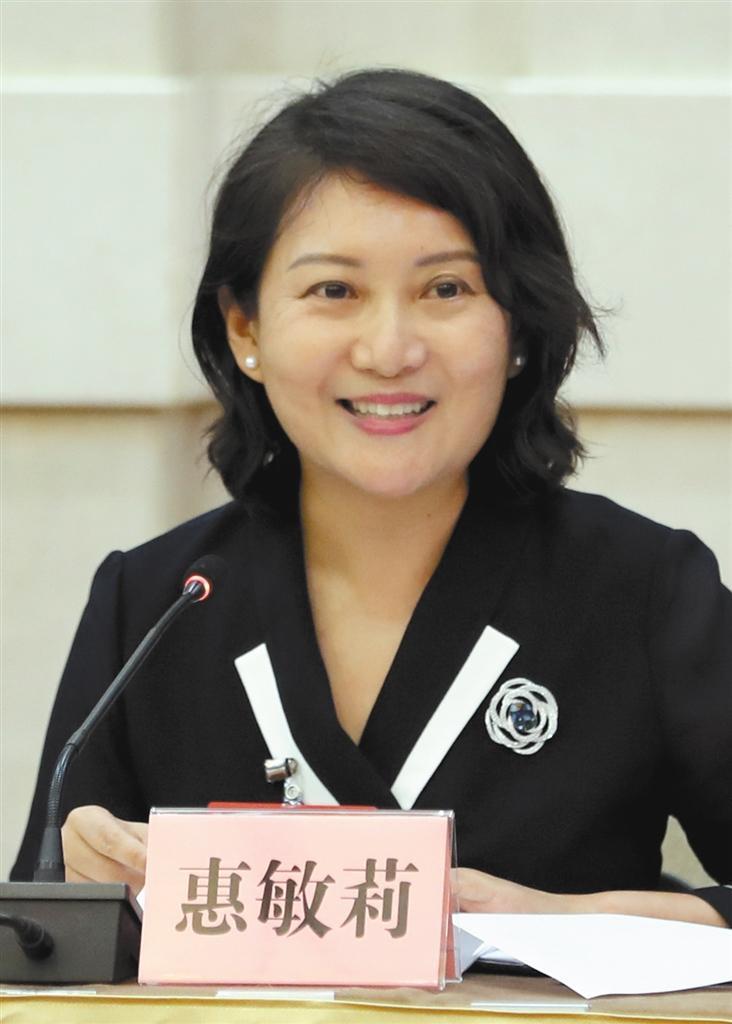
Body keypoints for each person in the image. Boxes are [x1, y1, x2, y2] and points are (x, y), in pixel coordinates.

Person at [12, 69, 731, 927]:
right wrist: (90, 897)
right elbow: (41, 947)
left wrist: (561, 923)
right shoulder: (155, 604)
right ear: (245, 328)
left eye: (446, 289)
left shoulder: (645, 589)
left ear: (518, 326)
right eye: (335, 291)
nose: (389, 351)